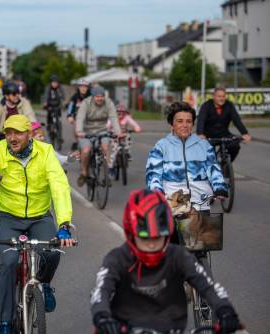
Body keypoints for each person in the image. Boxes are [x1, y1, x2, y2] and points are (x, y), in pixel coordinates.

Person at [90, 189, 241, 334]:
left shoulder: (178, 256)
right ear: (131, 233)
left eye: (158, 236)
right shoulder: (117, 259)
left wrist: (225, 310)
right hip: (127, 329)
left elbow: (208, 286)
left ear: (167, 233)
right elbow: (100, 291)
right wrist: (102, 317)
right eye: (144, 237)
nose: (151, 244)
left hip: (171, 329)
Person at [0, 115, 75, 334]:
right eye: (8, 133)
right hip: (8, 217)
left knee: (51, 251)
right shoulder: (0, 150)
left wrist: (64, 223)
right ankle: (4, 323)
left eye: (18, 132)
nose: (12, 137)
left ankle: (45, 284)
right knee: (9, 263)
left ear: (29, 134)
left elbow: (59, 187)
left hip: (40, 216)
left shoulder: (45, 152)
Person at [146, 101, 228, 211]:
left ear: (193, 124)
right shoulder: (161, 146)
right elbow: (153, 174)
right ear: (172, 123)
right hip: (173, 205)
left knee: (207, 228)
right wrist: (156, 191)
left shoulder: (204, 145)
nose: (185, 125)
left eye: (189, 121)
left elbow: (213, 168)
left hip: (201, 204)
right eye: (180, 121)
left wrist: (220, 187)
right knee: (178, 228)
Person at [75, 86, 122, 187]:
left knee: (106, 148)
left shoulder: (109, 103)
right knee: (86, 150)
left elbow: (113, 117)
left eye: (102, 96)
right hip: (86, 131)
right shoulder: (86, 103)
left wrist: (118, 132)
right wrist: (79, 131)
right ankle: (84, 172)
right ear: (93, 97)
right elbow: (80, 118)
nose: (100, 98)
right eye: (97, 96)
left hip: (102, 131)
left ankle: (106, 174)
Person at [196, 86, 251, 162]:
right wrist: (200, 133)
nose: (221, 98)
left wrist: (245, 133)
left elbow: (236, 120)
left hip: (224, 134)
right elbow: (201, 120)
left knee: (235, 146)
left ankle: (226, 165)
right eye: (219, 96)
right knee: (207, 155)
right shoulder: (206, 106)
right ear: (214, 97)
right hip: (208, 135)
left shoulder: (229, 105)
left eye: (223, 96)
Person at [67, 79, 91, 148]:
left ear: (88, 88)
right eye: (81, 87)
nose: (83, 88)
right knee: (76, 130)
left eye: (85, 87)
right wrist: (69, 116)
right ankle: (77, 142)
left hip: (89, 118)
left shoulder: (91, 97)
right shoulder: (75, 96)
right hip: (77, 118)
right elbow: (70, 107)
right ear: (79, 87)